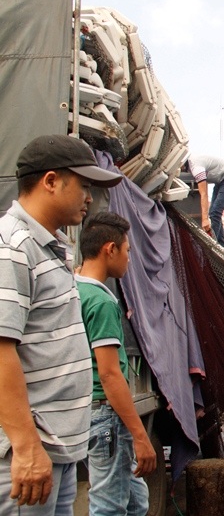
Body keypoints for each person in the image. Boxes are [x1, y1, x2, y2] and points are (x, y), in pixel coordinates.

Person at [0, 134, 122, 512]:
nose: (90, 197)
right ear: (51, 181)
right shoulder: (14, 248)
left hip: (59, 450)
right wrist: (25, 447)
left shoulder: (50, 248)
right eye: (83, 185)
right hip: (30, 455)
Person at [76, 212, 157, 515]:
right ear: (110, 249)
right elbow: (110, 375)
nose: (128, 259)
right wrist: (140, 435)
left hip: (87, 413)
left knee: (136, 501)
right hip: (106, 420)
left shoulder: (73, 290)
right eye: (127, 251)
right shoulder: (101, 301)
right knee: (109, 505)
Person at [187, 153, 224, 248]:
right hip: (221, 181)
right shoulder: (192, 161)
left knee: (215, 213)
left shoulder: (196, 168)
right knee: (214, 213)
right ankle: (221, 247)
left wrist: (204, 220)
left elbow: (203, 194)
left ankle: (212, 245)